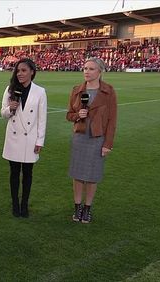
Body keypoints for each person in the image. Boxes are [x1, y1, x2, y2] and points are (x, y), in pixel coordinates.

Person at [66, 57, 117, 224]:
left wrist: (107, 144)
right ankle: (77, 206)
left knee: (92, 175)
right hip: (80, 137)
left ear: (100, 72)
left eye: (91, 69)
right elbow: (69, 115)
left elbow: (112, 120)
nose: (86, 71)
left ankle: (87, 208)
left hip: (97, 139)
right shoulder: (76, 90)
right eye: (85, 68)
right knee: (78, 175)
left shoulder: (108, 91)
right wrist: (77, 115)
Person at [0, 58, 47, 218]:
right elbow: (3, 113)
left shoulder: (40, 91)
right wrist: (9, 108)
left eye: (24, 70)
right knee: (14, 173)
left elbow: (42, 119)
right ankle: (15, 203)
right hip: (13, 137)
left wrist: (40, 140)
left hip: (30, 139)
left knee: (28, 173)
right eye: (18, 71)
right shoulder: (10, 89)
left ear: (32, 72)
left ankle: (24, 205)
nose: (20, 73)